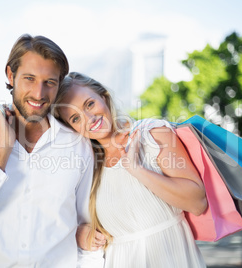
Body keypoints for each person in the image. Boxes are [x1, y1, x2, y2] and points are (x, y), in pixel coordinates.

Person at [0, 35, 104, 267]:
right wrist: (1, 153)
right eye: (29, 79)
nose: (38, 93)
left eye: (50, 82)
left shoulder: (79, 146)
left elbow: (87, 231)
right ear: (10, 75)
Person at [54, 72, 208, 267]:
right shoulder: (86, 168)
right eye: (75, 118)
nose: (89, 118)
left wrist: (136, 169)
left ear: (104, 97)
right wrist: (80, 234)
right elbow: (55, 221)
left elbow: (197, 202)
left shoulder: (153, 134)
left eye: (89, 104)